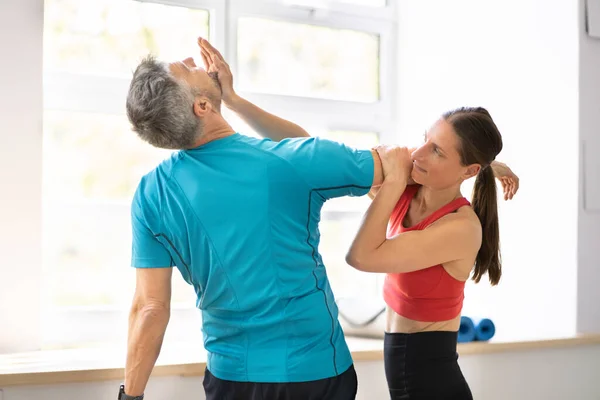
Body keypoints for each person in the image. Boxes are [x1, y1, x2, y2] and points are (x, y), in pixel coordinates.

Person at [120, 35, 519, 400]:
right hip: (314, 372)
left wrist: (131, 396)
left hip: (231, 376)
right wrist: (460, 167)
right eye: (186, 68)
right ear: (202, 106)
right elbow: (318, 152)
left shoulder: (151, 194)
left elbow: (150, 308)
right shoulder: (290, 163)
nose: (193, 60)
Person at [345, 107, 514, 399]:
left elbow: (359, 256)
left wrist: (396, 179)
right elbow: (328, 165)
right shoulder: (408, 194)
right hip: (406, 375)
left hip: (433, 381)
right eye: (424, 139)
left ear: (470, 170)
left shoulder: (460, 227)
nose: (417, 154)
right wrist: (236, 103)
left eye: (436, 150)